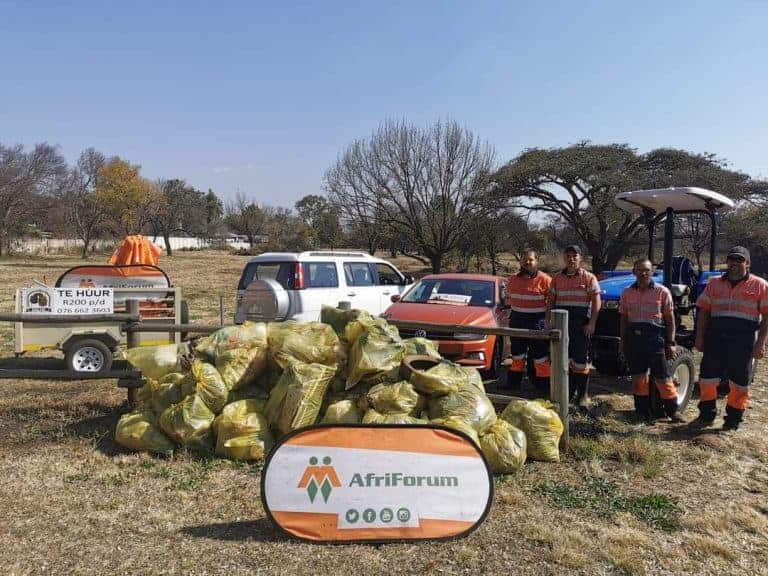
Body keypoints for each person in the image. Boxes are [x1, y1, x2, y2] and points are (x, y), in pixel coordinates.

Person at [694, 246, 768, 430]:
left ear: (748, 263)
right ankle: (707, 413)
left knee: (739, 381)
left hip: (742, 339)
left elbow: (766, 316)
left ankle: (733, 418)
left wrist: (761, 343)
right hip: (716, 337)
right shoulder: (714, 283)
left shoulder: (760, 285)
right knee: (707, 378)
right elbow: (704, 311)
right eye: (731, 259)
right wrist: (700, 336)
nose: (734, 263)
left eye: (739, 260)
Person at [619, 258, 684, 422]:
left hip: (655, 339)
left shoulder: (662, 292)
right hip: (634, 340)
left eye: (647, 270)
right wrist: (623, 340)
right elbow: (624, 319)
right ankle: (642, 412)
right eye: (639, 270)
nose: (643, 273)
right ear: (634, 272)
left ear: (652, 272)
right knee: (639, 378)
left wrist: (671, 342)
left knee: (663, 377)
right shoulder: (627, 292)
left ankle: (673, 411)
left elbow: (670, 319)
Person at [548, 245, 601, 407]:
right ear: (564, 258)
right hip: (561, 325)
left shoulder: (588, 277)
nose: (571, 259)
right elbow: (550, 301)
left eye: (574, 256)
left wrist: (592, 323)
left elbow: (596, 301)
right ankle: (567, 395)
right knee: (564, 360)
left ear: (580, 258)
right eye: (568, 256)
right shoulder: (556, 278)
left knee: (581, 361)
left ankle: (583, 396)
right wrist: (549, 321)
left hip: (581, 326)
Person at [505, 249, 552, 394]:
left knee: (540, 357)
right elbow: (508, 301)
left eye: (530, 259)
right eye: (524, 259)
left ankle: (543, 387)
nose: (527, 262)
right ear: (520, 261)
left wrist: (548, 323)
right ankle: (513, 385)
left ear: (536, 261)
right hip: (517, 320)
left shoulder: (545, 279)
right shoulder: (512, 279)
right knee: (517, 355)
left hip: (537, 322)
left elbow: (551, 303)